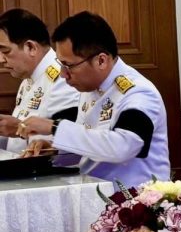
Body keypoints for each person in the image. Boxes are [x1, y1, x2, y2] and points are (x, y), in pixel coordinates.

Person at [19, 12, 170, 186]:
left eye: (69, 65)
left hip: (134, 197)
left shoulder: (138, 92)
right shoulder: (90, 87)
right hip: (96, 191)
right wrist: (54, 149)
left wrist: (55, 127)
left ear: (101, 61)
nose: (63, 74)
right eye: (61, 64)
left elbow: (123, 147)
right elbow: (92, 146)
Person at [0, 9, 79, 153]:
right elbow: (15, 141)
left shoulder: (63, 78)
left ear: (31, 47)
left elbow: (67, 143)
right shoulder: (28, 78)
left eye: (5, 51)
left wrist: (19, 128)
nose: (1, 60)